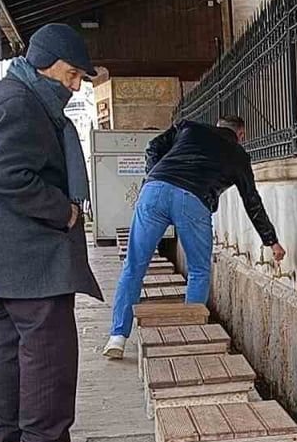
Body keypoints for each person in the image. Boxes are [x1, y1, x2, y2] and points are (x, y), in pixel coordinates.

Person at [0, 23, 104, 442]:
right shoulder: (21, 103)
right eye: (72, 75)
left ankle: (7, 441)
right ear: (47, 64)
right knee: (49, 346)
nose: (75, 86)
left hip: (6, 252)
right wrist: (64, 211)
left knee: (9, 346)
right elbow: (5, 177)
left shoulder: (1, 96)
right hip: (31, 252)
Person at [103, 116, 285, 358]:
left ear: (218, 126)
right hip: (193, 200)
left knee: (133, 267)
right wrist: (271, 240)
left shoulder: (189, 127)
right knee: (199, 270)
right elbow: (252, 201)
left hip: (154, 192)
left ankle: (117, 337)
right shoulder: (238, 154)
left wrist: (154, 174)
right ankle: (190, 334)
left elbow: (153, 146)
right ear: (241, 135)